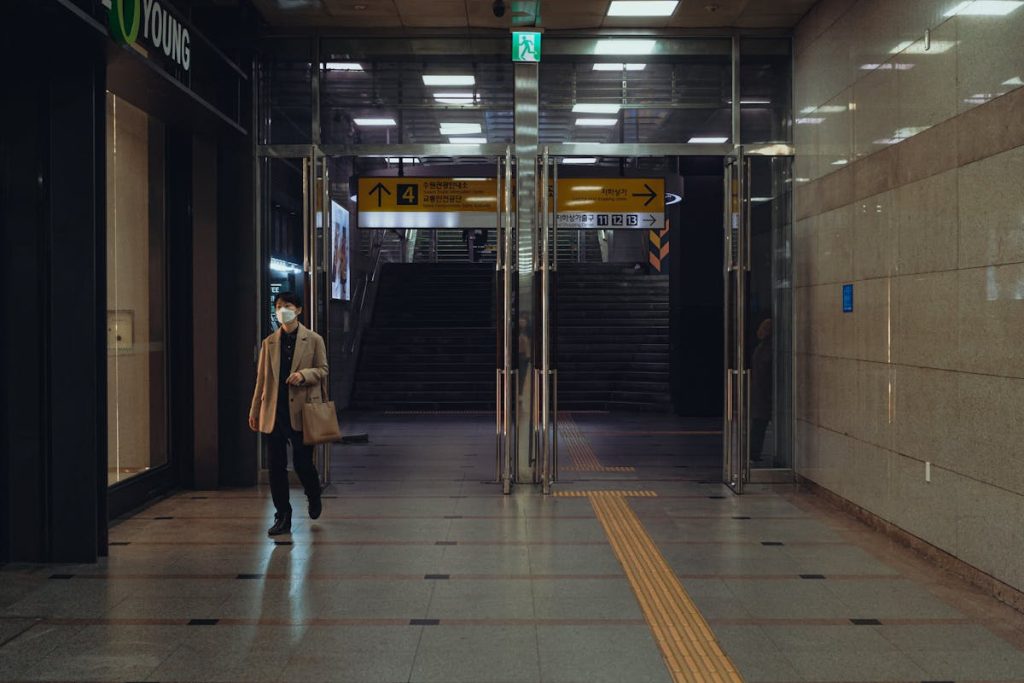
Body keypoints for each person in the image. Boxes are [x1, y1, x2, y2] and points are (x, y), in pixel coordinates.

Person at [249, 292, 328, 536]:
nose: (283, 310)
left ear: (299, 310)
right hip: (274, 411)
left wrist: (303, 375)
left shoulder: (313, 339)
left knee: (303, 463)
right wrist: (254, 411)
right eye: (279, 306)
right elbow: (261, 380)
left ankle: (313, 494)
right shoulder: (269, 342)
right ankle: (283, 514)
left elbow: (323, 369)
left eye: (288, 306)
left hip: (302, 411)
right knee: (276, 466)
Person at [750, 318, 773, 464]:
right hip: (764, 393)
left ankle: (753, 453)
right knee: (760, 424)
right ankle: (753, 453)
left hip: (759, 391)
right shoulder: (768, 349)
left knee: (758, 424)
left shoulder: (760, 348)